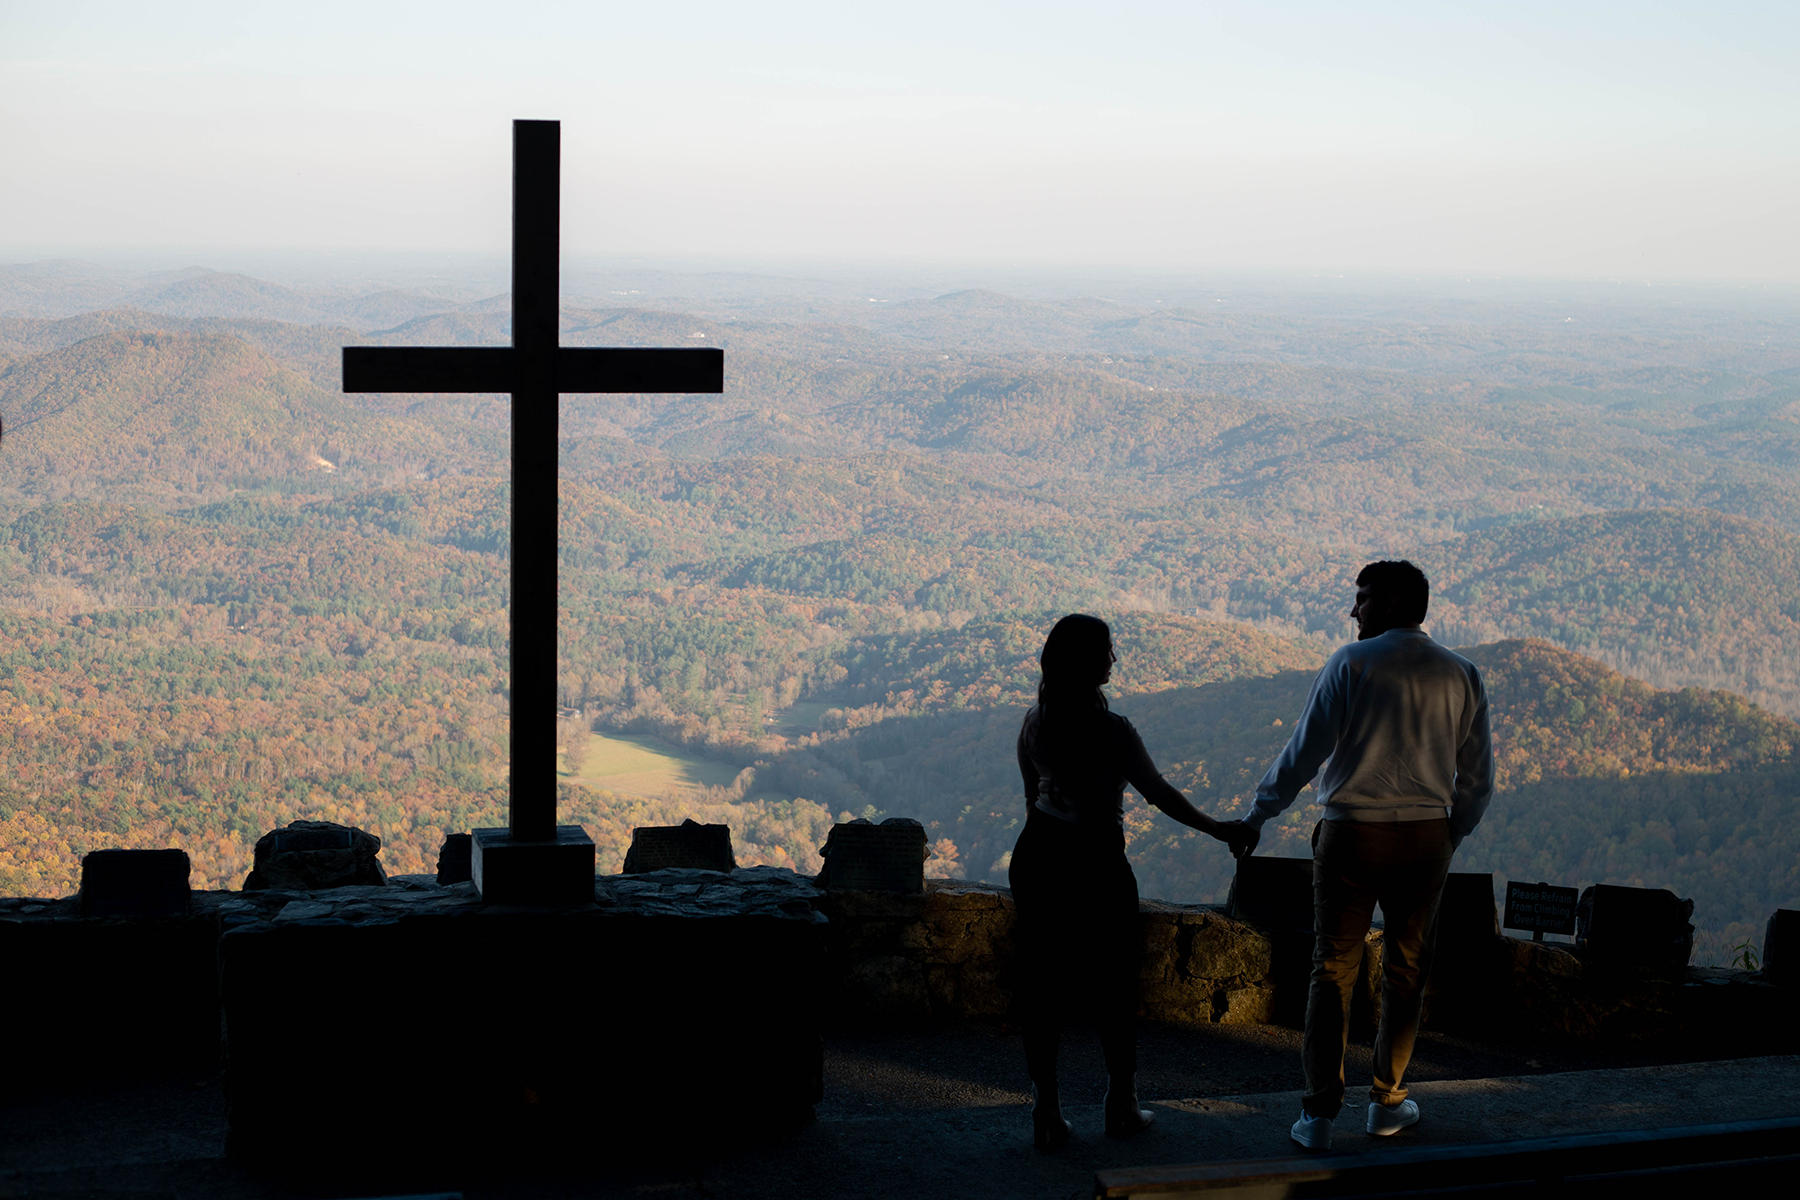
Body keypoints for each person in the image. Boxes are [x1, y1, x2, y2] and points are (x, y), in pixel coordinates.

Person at [1223, 560, 1493, 1152]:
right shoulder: (1463, 674)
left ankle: (1319, 1115)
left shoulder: (1352, 663)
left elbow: (1303, 752)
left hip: (1350, 833)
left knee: (1332, 969)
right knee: (1406, 971)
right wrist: (1450, 834)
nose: (1354, 611)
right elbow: (1476, 779)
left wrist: (1257, 816)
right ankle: (1387, 1104)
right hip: (1426, 836)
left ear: (1393, 602)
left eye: (1363, 599)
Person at [1010, 613, 1252, 1150]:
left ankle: (1045, 1110)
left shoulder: (1035, 720)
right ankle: (1121, 1103)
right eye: (1108, 651)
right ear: (1087, 662)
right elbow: (1159, 793)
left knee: (1041, 984)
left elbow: (1032, 798)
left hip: (1039, 854)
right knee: (1115, 982)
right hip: (1096, 861)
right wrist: (1218, 830)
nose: (1115, 659)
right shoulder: (1113, 731)